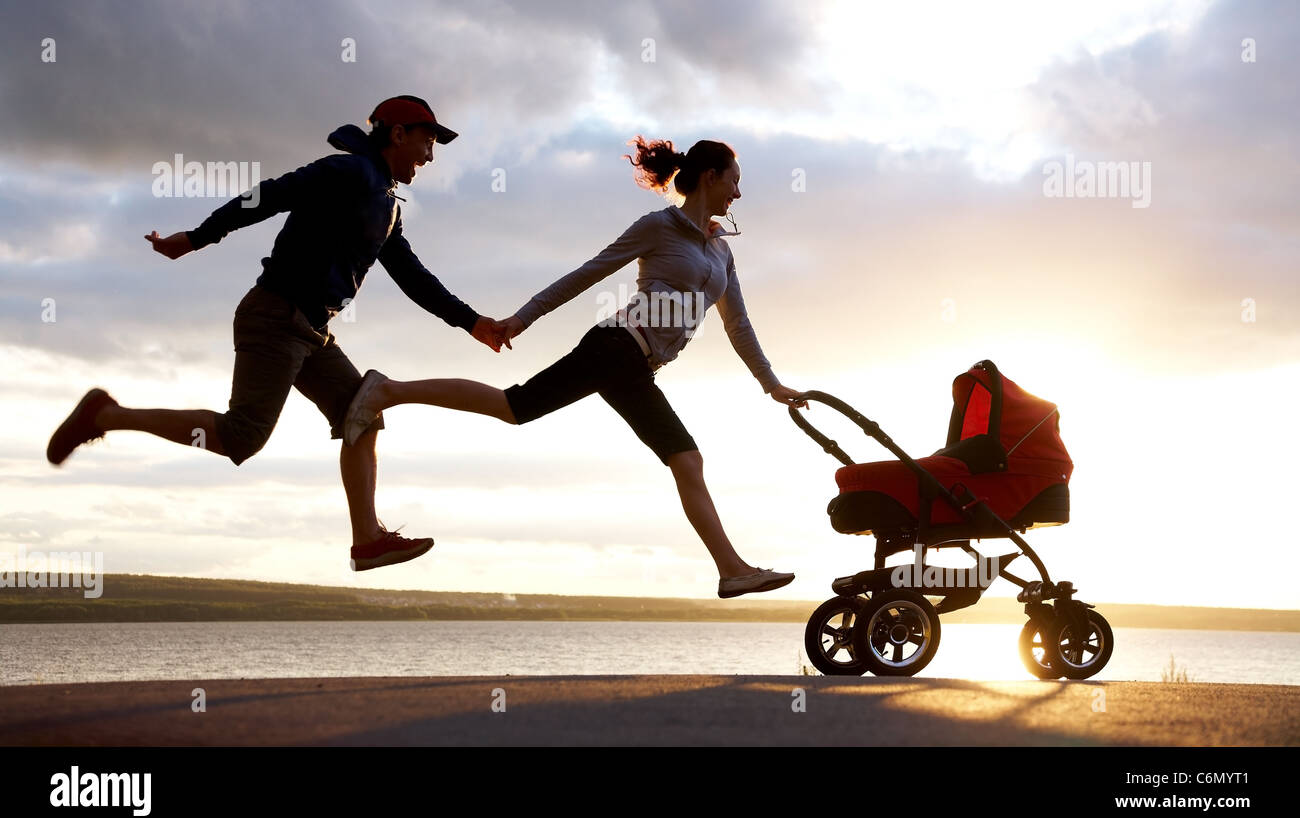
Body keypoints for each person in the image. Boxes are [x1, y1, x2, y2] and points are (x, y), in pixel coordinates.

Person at [46, 95, 508, 572]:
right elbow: (268, 194)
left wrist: (472, 322)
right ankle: (106, 415)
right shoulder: (347, 173)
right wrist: (199, 237)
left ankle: (367, 539)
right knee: (241, 437)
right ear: (397, 134)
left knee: (363, 414)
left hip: (313, 331)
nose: (429, 155)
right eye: (426, 141)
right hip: (275, 317)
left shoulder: (387, 204)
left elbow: (413, 276)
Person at [341, 136, 805, 597]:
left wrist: (772, 385)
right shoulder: (658, 227)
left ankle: (732, 570)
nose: (738, 195)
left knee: (664, 453)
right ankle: (387, 390)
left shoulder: (722, 250)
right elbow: (589, 272)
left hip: (637, 367)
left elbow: (737, 323)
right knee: (522, 409)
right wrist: (523, 318)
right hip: (616, 347)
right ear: (711, 177)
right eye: (734, 182)